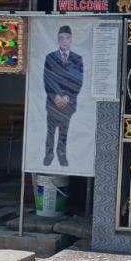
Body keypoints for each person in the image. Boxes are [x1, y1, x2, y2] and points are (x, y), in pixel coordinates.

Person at [43, 24, 84, 166]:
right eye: (61, 38)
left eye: (67, 38)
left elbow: (78, 80)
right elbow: (47, 79)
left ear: (71, 39)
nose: (64, 41)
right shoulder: (50, 58)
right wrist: (56, 96)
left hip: (68, 103)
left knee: (63, 132)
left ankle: (62, 155)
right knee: (50, 131)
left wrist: (67, 97)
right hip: (53, 102)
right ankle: (48, 154)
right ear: (57, 40)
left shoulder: (77, 59)